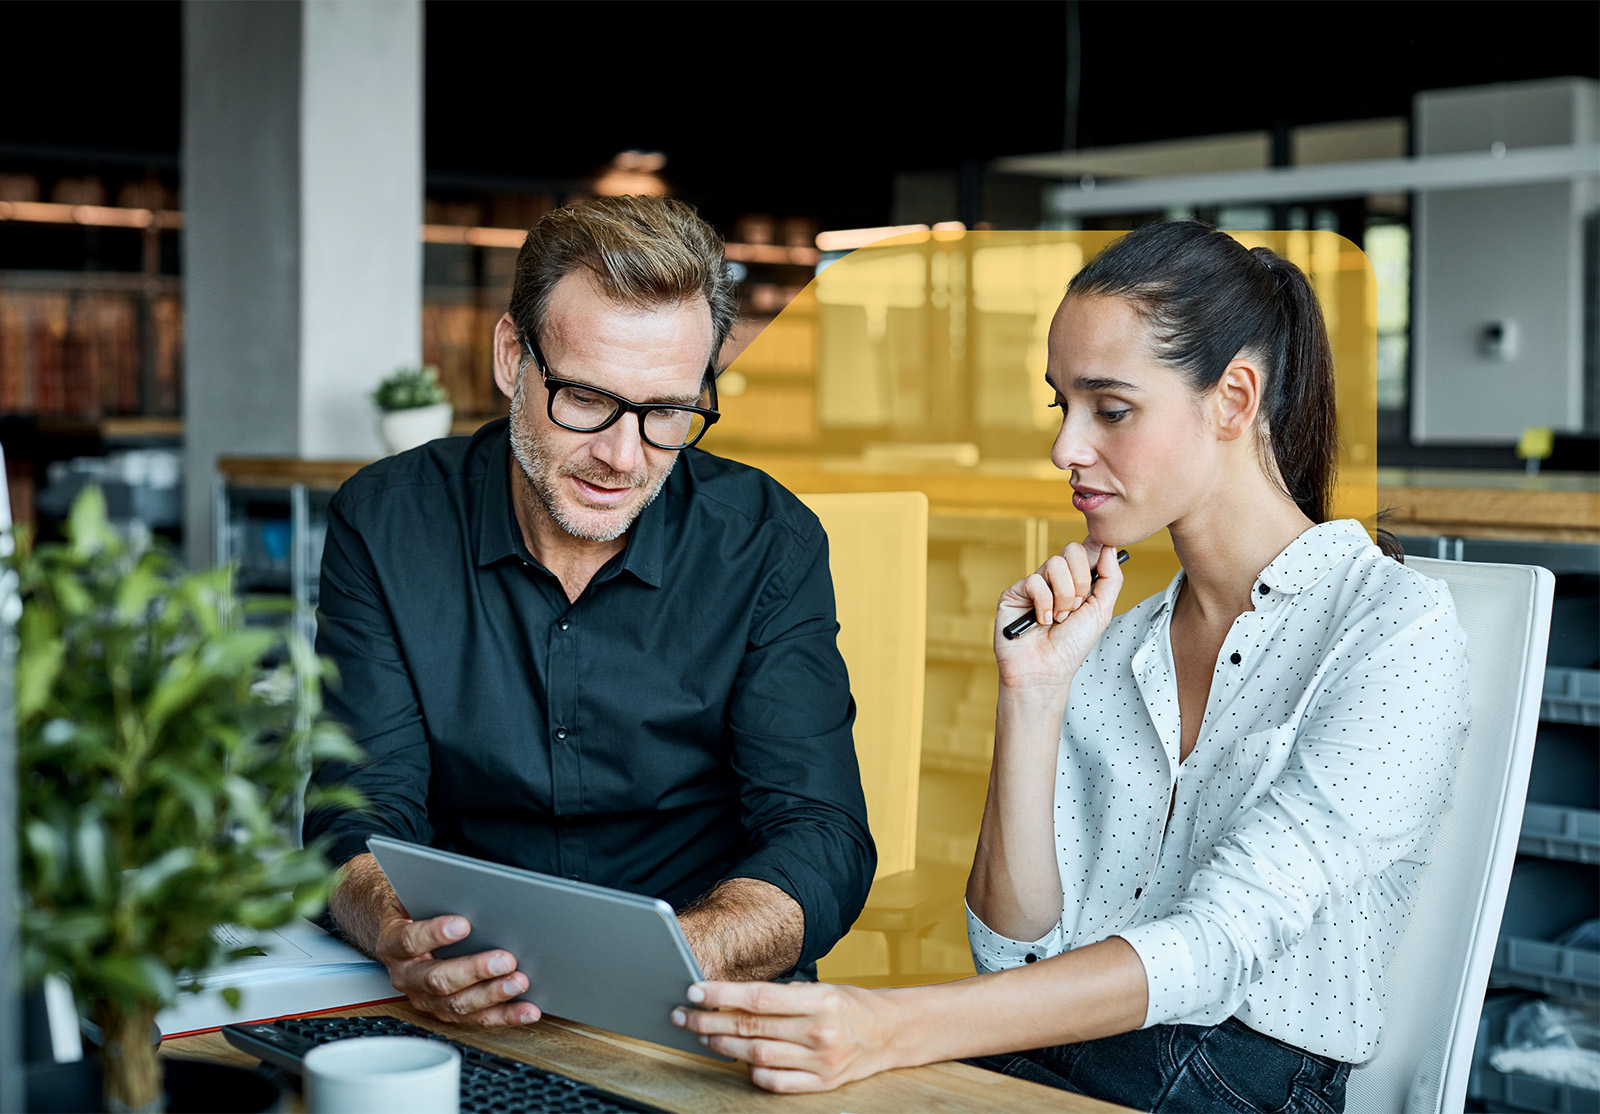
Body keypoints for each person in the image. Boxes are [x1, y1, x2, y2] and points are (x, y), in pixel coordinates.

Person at [671, 222, 1470, 1113]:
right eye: (1063, 406)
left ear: (1234, 399)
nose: (1065, 450)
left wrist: (891, 1023)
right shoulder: (1116, 643)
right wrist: (1034, 696)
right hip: (1072, 1055)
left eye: (1111, 409)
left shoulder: (1392, 630)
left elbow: (1216, 950)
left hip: (1239, 1082)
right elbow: (1012, 955)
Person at [303, 195, 875, 1028]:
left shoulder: (766, 543)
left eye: (667, 412)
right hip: (458, 995)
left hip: (698, 1002)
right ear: (512, 357)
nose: (622, 455)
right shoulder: (387, 523)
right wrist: (399, 932)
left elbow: (819, 835)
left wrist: (674, 956)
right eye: (584, 398)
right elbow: (356, 811)